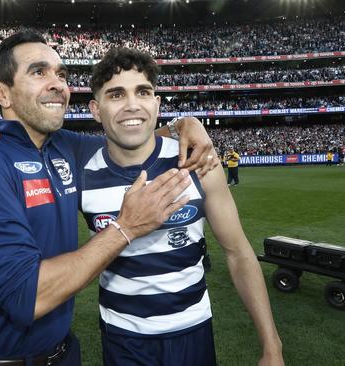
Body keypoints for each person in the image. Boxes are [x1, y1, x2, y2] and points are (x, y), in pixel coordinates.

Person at [0, 31, 216, 366]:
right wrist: (126, 228)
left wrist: (185, 124)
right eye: (38, 72)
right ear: (2, 92)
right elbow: (26, 296)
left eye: (61, 74)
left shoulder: (63, 147)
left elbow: (130, 134)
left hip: (62, 353)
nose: (56, 83)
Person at [83, 47, 283, 366]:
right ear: (96, 109)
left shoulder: (198, 161)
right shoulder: (82, 173)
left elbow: (238, 252)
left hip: (193, 331)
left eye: (143, 92)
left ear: (157, 103)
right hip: (122, 337)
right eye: (116, 94)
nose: (132, 104)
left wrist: (272, 346)